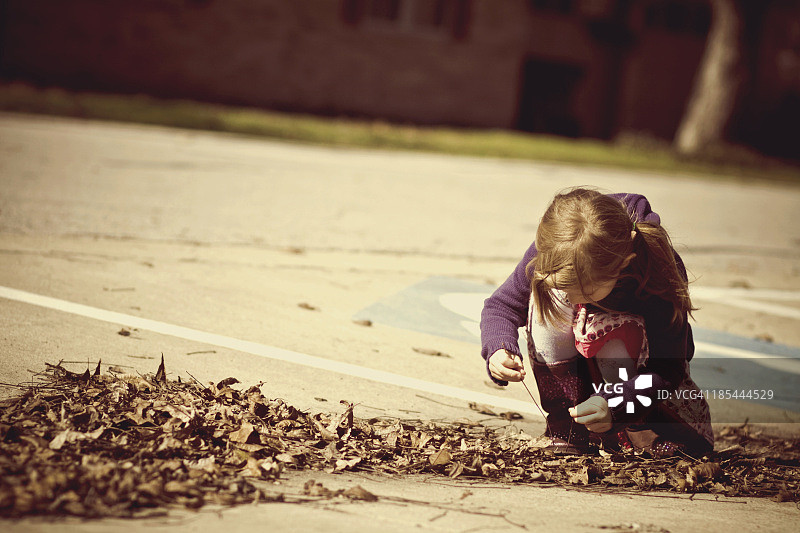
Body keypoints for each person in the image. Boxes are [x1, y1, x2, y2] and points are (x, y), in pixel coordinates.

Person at [480, 188, 713, 457]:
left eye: (586, 291)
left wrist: (618, 404)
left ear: (623, 264)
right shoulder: (556, 249)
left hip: (642, 393)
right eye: (565, 286)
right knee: (546, 296)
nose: (571, 297)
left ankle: (640, 431)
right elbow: (501, 306)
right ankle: (568, 426)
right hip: (587, 385)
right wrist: (498, 349)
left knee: (611, 324)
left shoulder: (657, 270)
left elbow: (668, 367)